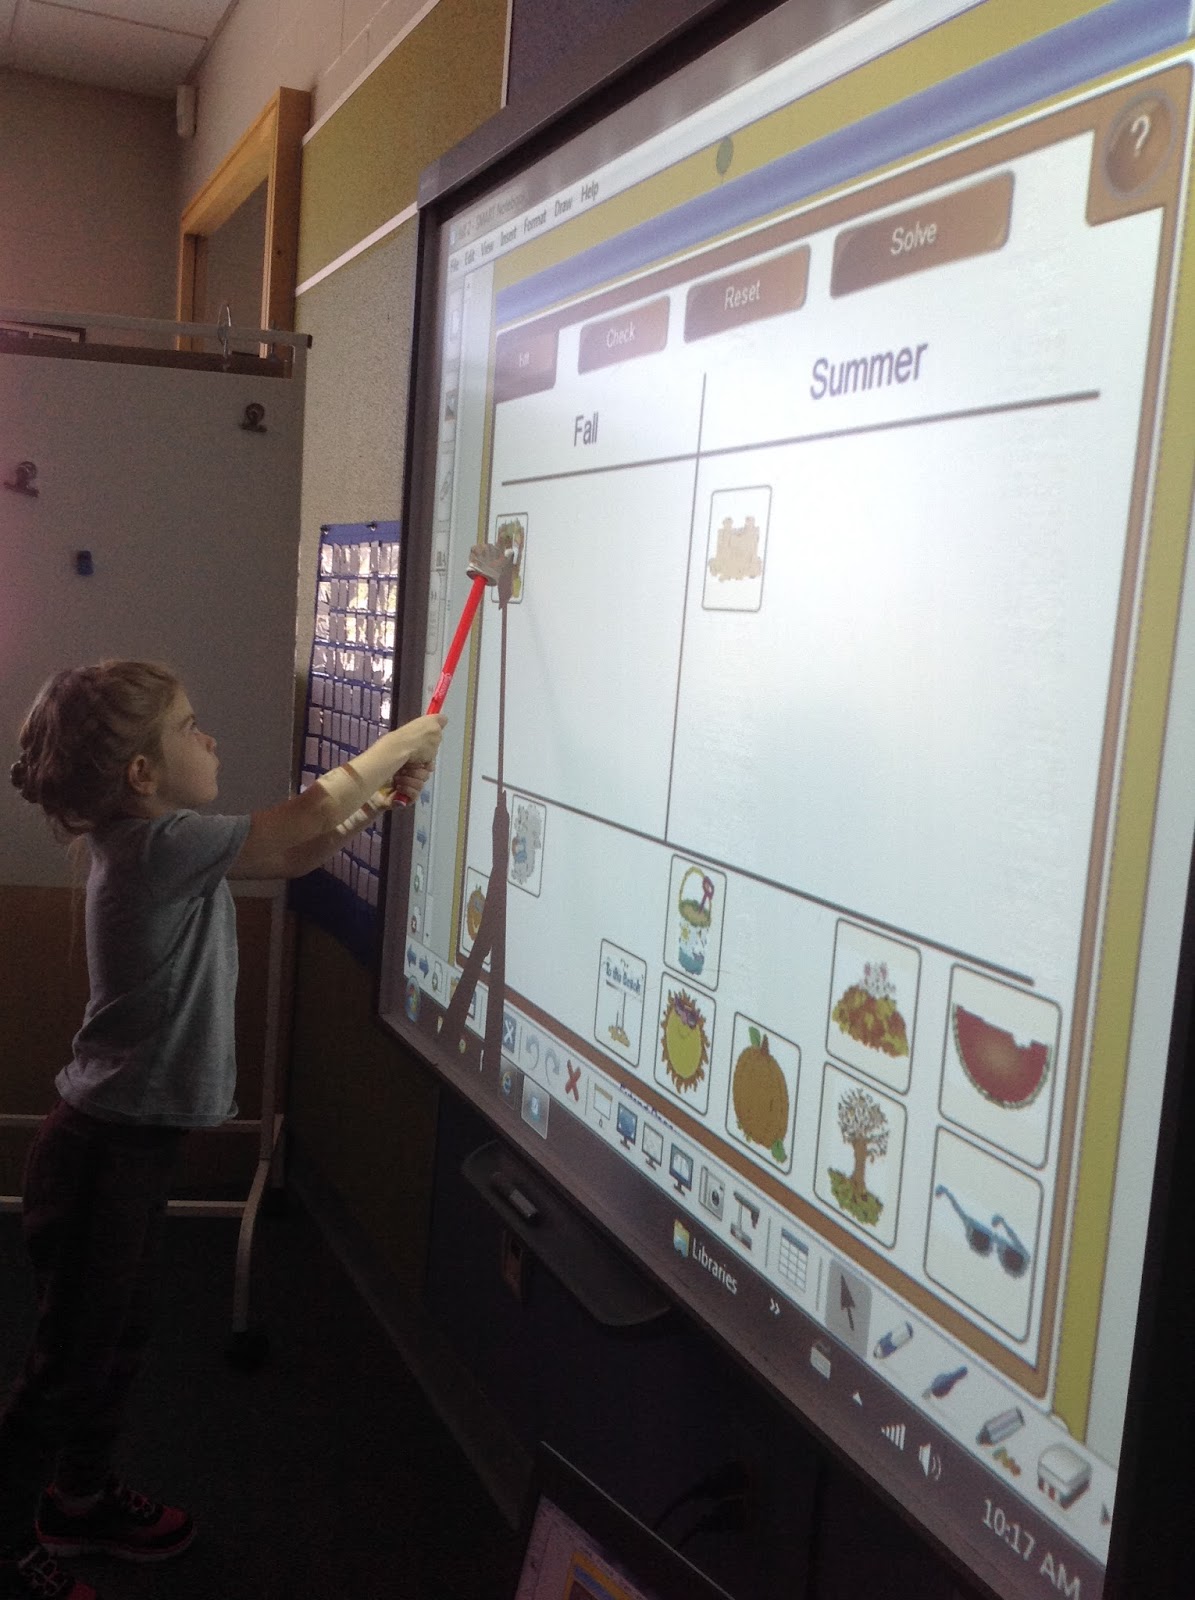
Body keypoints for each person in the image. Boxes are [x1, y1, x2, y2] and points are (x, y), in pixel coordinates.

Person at [0, 660, 445, 1600]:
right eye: (189, 727)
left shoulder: (163, 841)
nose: (209, 739)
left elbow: (293, 852)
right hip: (101, 1156)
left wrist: (370, 807)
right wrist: (395, 748)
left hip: (121, 1149)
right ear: (142, 775)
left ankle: (78, 1500)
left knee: (113, 1340)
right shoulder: (154, 846)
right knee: (69, 1364)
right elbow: (291, 829)